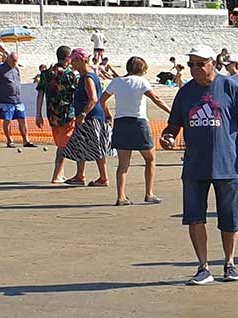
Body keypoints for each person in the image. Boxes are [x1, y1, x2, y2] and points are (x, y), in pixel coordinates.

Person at [160, 45, 238, 285]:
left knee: (229, 217)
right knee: (195, 217)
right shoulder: (185, 93)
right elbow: (173, 126)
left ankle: (229, 263)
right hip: (194, 165)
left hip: (227, 164)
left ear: (213, 63)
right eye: (191, 64)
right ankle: (203, 267)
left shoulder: (230, 86)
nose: (195, 69)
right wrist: (168, 136)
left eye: (199, 64)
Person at [100, 56, 172, 206]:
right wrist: (171, 112)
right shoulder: (141, 81)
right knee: (150, 159)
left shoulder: (117, 81)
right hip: (138, 122)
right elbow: (156, 98)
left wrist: (108, 113)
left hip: (121, 122)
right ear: (141, 69)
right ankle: (149, 193)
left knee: (123, 164)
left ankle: (121, 196)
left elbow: (102, 99)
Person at [62, 48, 111, 187]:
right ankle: (80, 175)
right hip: (88, 116)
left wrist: (83, 114)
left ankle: (103, 178)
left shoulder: (88, 77)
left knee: (97, 146)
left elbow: (93, 99)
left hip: (90, 117)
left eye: (73, 61)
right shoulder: (86, 75)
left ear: (80, 60)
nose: (71, 63)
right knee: (79, 145)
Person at [36, 46, 81, 183]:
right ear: (68, 59)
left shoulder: (46, 74)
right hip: (68, 113)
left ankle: (60, 173)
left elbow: (40, 94)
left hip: (52, 114)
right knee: (64, 145)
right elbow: (78, 94)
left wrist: (38, 113)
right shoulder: (71, 74)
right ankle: (57, 175)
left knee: (60, 144)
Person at [0, 52, 34, 149]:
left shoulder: (16, 69)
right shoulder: (0, 69)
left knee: (23, 120)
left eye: (16, 61)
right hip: (5, 100)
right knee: (7, 121)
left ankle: (26, 140)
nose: (15, 63)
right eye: (13, 61)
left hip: (18, 100)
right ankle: (10, 141)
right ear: (8, 59)